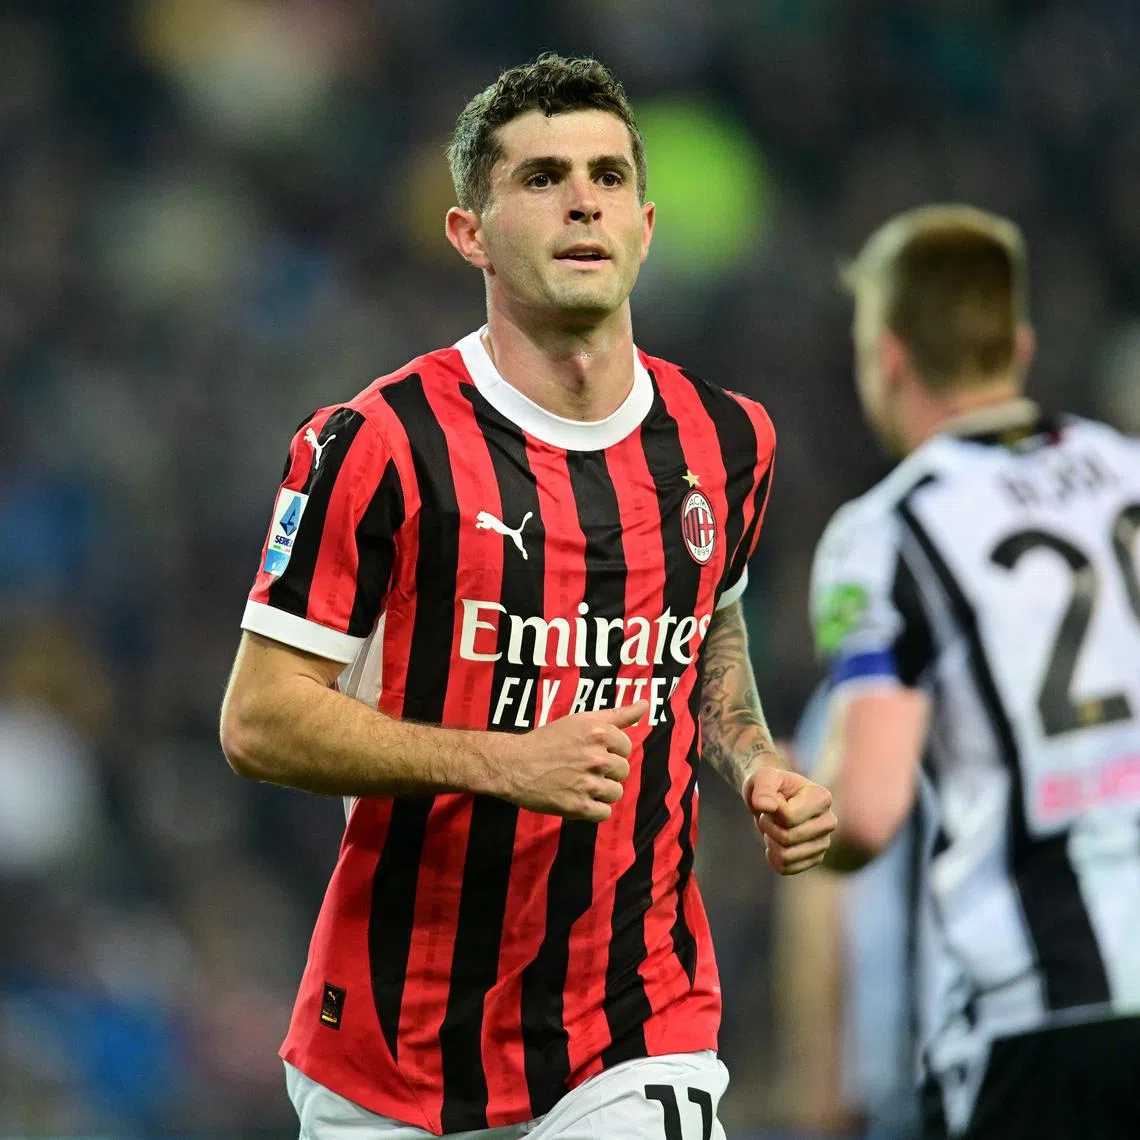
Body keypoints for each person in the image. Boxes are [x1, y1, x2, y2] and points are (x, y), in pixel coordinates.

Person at [219, 53, 836, 1140]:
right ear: (471, 233)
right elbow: (258, 720)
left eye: (608, 177)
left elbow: (709, 629)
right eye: (543, 178)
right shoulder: (376, 443)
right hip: (393, 1048)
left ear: (645, 224)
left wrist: (754, 763)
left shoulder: (728, 439)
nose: (583, 201)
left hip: (634, 1021)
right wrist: (504, 763)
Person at [809, 203, 1140, 1140]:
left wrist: (787, 798)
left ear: (889, 359)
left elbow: (864, 814)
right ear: (1019, 345)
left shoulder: (884, 533)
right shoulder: (1129, 472)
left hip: (1025, 1015)